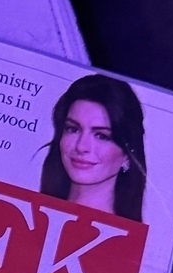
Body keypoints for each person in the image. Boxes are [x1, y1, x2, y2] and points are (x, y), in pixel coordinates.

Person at [40, 74, 146, 220]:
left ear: (128, 155)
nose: (81, 146)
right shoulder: (30, 214)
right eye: (73, 129)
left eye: (101, 136)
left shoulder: (133, 241)